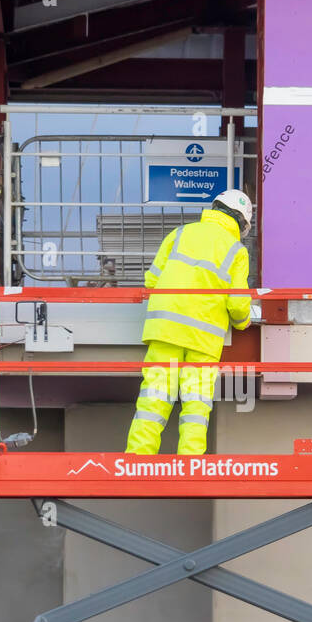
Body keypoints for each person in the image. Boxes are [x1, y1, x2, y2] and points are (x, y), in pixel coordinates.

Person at [125, 189, 254, 456]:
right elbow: (238, 305)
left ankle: (138, 457)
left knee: (154, 397)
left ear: (214, 209)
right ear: (242, 224)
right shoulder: (237, 251)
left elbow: (152, 281)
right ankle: (190, 461)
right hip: (203, 338)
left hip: (165, 329)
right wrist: (243, 322)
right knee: (196, 403)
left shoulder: (180, 233)